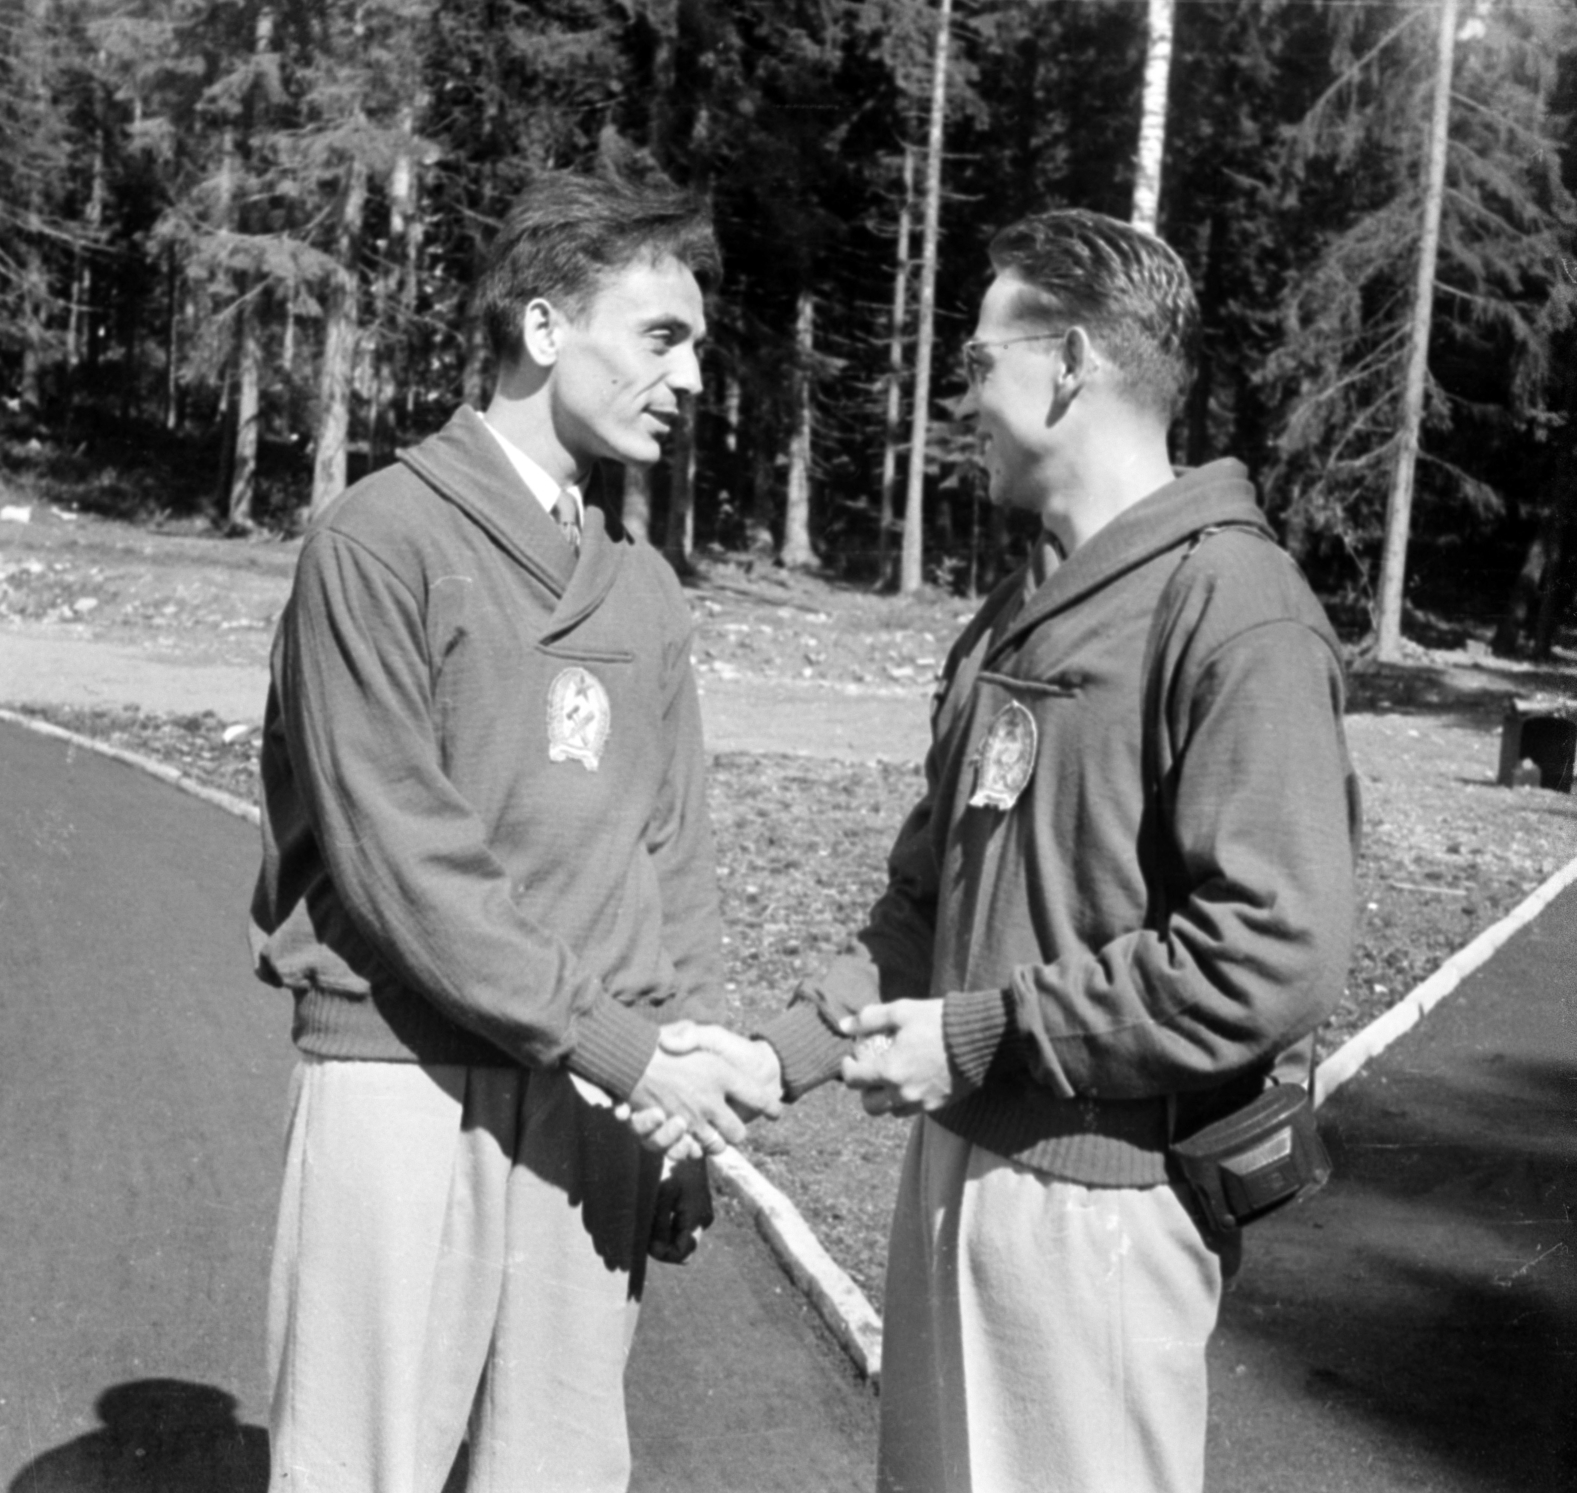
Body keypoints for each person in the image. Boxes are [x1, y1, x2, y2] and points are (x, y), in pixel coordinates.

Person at [650, 208, 1360, 1492]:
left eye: (981, 363)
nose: (960, 396)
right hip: (954, 1179)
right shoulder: (1009, 618)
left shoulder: (1234, 608)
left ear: (1071, 364)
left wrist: (977, 1037)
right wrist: (783, 1053)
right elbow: (930, 900)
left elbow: (1273, 951)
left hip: (1105, 1211)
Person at [249, 162, 779, 1493]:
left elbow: (671, 857)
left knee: (559, 1467)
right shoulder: (380, 541)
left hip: (599, 1097)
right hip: (403, 1073)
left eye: (700, 346)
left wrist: (678, 1103)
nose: (694, 376)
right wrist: (631, 1051)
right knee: (358, 1465)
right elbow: (405, 863)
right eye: (662, 337)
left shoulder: (644, 590)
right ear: (544, 326)